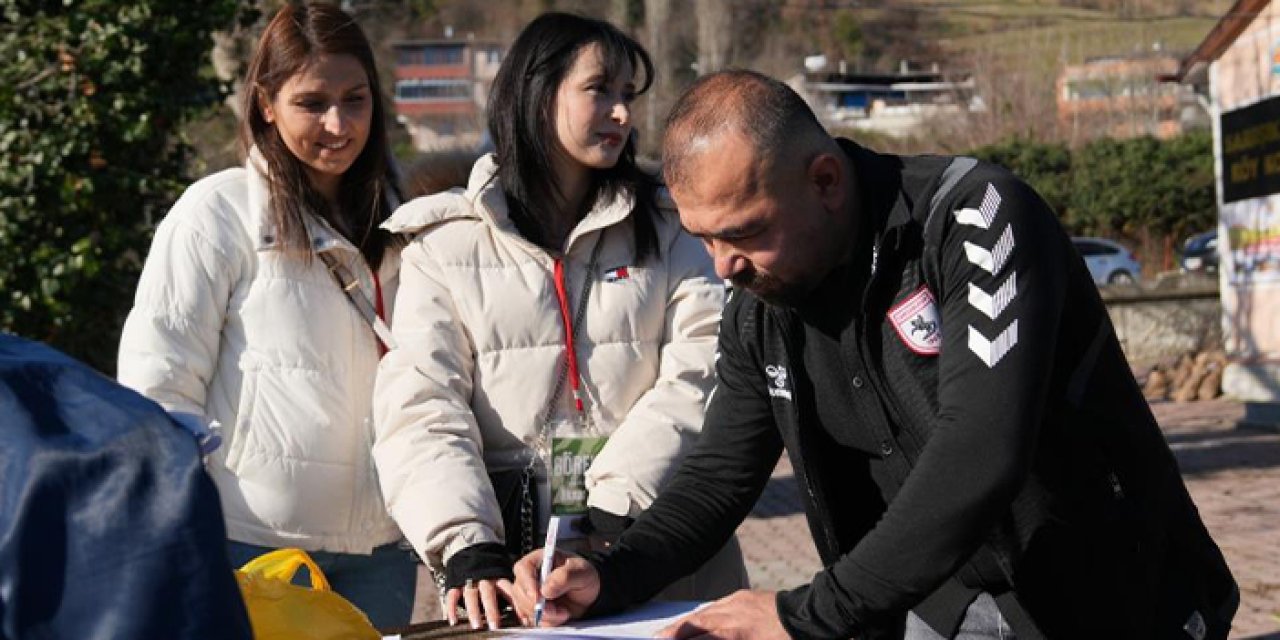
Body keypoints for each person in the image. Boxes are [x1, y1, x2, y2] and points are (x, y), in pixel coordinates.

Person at [510, 69, 1239, 639]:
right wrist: (615, 574)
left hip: (1111, 601)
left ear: (825, 181)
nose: (723, 265)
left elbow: (980, 452)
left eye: (744, 232)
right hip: (939, 609)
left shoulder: (975, 220)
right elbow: (720, 472)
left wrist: (805, 617)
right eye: (704, 238)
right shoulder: (761, 301)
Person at [373, 12, 747, 632]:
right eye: (599, 89)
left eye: (628, 94)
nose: (622, 113)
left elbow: (702, 372)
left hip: (657, 551)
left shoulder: (674, 226)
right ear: (535, 93)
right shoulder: (443, 245)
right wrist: (467, 544)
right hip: (513, 579)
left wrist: (612, 513)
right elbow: (421, 405)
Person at [116, 3, 415, 629]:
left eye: (355, 100)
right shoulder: (217, 214)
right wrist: (184, 521)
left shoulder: (405, 220)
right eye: (312, 103)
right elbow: (159, 384)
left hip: (385, 548)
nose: (338, 124)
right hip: (252, 548)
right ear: (266, 105)